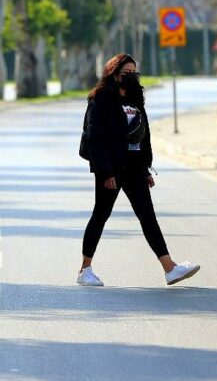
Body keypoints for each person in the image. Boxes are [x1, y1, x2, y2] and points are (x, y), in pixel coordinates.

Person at [78, 53, 200, 287]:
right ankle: (85, 270)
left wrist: (145, 169)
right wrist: (106, 173)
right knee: (101, 215)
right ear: (113, 75)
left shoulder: (135, 99)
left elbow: (144, 136)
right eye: (126, 74)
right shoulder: (100, 100)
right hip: (111, 168)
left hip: (134, 166)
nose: (131, 77)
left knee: (147, 216)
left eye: (134, 73)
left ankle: (170, 268)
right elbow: (95, 139)